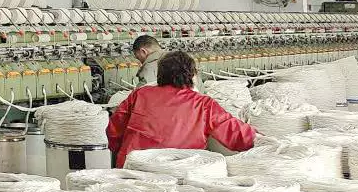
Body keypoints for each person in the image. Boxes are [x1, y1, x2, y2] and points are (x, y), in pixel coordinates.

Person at [105, 50, 254, 167]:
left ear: (160, 74)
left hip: (134, 167)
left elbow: (114, 129)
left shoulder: (140, 94)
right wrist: (262, 141)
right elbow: (236, 134)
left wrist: (120, 155)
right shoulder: (203, 104)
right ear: (192, 75)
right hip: (180, 170)